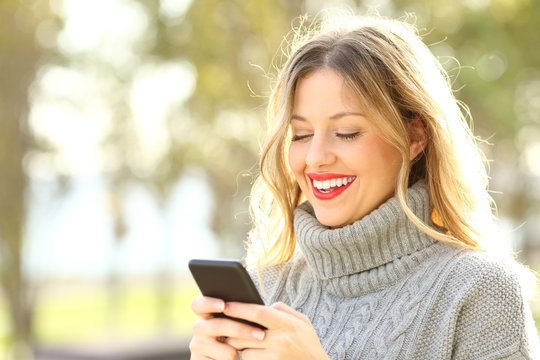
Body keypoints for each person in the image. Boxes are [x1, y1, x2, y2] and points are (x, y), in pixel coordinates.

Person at [189, 15, 540, 360]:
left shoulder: (480, 289)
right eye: (301, 135)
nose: (315, 158)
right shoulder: (264, 288)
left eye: (347, 133)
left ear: (415, 135)